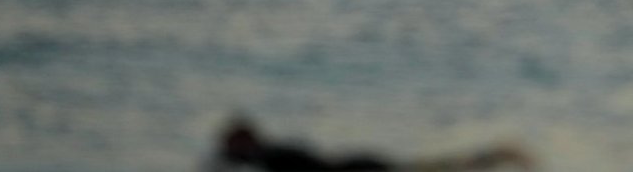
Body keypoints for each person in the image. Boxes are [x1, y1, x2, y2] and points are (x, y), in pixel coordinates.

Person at [211, 118, 534, 172]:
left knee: (437, 168)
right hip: (359, 164)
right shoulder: (272, 151)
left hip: (361, 169)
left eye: (230, 142)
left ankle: (499, 153)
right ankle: (499, 154)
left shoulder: (270, 154)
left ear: (244, 139)